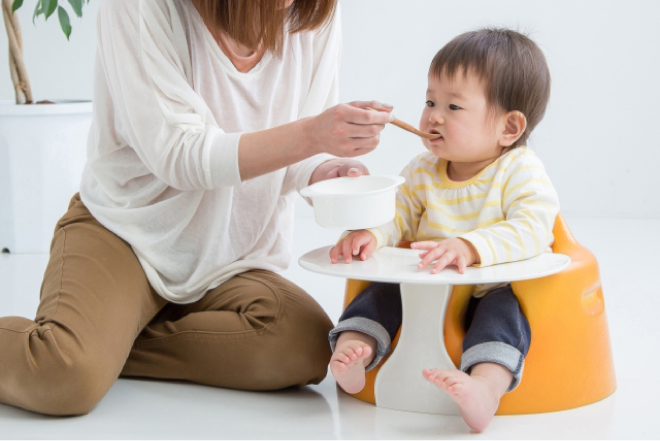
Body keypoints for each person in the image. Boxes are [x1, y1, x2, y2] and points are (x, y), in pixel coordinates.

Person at [0, 0, 394, 416]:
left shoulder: (312, 14)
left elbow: (299, 154)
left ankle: (106, 344)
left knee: (304, 346)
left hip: (227, 255)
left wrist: (331, 169)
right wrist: (314, 135)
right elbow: (179, 155)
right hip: (126, 232)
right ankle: (87, 350)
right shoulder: (139, 7)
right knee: (63, 373)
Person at [327, 28, 559, 432]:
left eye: (453, 106)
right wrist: (372, 234)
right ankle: (353, 354)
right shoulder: (421, 170)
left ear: (509, 128)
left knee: (503, 321)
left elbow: (534, 228)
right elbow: (397, 214)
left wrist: (470, 247)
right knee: (375, 297)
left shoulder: (518, 171)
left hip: (489, 288)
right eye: (431, 101)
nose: (433, 115)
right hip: (421, 283)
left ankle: (484, 389)